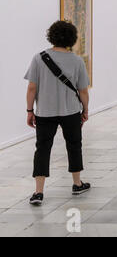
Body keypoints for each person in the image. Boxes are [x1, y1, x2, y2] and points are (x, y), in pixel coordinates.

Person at [24, 21, 91, 206]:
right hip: (71, 111)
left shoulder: (38, 58)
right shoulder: (77, 60)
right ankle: (77, 184)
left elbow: (31, 88)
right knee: (74, 145)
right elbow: (83, 90)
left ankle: (38, 192)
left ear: (51, 36)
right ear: (72, 38)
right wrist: (85, 110)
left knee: (43, 149)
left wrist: (30, 110)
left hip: (44, 112)